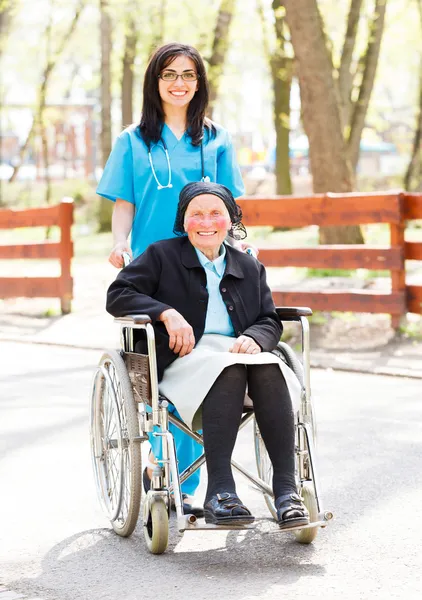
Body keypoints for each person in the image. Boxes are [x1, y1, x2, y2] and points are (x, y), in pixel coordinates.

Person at [96, 42, 246, 516]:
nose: (179, 83)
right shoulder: (132, 140)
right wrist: (121, 243)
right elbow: (125, 202)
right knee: (163, 375)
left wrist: (241, 245)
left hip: (206, 265)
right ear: (155, 82)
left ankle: (188, 478)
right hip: (154, 272)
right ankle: (166, 473)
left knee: (204, 368)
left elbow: (231, 208)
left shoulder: (216, 139)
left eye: (188, 75)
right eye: (169, 74)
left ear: (199, 82)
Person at [106, 182, 309, 528]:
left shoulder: (248, 266)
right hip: (182, 360)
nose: (206, 221)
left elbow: (268, 319)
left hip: (238, 356)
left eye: (215, 213)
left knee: (268, 366)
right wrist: (164, 313)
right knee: (229, 369)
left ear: (231, 221)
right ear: (183, 222)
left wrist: (255, 338)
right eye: (196, 214)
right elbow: (118, 294)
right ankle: (220, 491)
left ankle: (287, 492)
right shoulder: (161, 255)